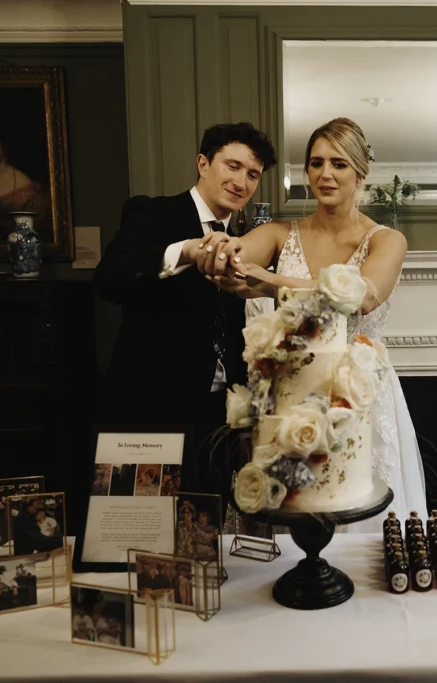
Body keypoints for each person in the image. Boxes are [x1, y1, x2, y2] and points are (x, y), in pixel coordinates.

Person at [208, 117, 428, 530]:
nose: (325, 174)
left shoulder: (386, 240)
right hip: (289, 393)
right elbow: (240, 257)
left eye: (339, 163)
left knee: (357, 503)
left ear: (360, 172)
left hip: (359, 394)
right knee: (290, 510)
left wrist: (272, 282)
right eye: (315, 162)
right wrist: (224, 249)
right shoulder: (278, 232)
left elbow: (363, 295)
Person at [94, 122, 278, 500]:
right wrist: (185, 252)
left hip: (219, 412)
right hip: (152, 402)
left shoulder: (246, 241)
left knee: (206, 528)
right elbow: (110, 279)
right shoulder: (152, 213)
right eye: (232, 166)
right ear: (203, 163)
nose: (241, 182)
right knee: (147, 525)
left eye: (252, 174)